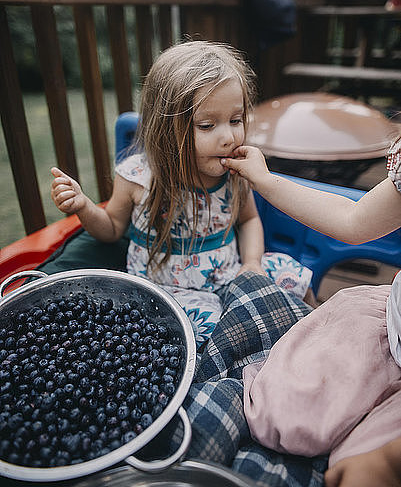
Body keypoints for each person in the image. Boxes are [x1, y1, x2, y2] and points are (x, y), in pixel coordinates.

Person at [50, 41, 313, 349]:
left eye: (236, 120)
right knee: (208, 330)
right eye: (207, 125)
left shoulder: (237, 172)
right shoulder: (136, 178)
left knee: (292, 274)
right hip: (170, 292)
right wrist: (83, 206)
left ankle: (317, 339)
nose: (228, 137)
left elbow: (249, 219)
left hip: (231, 274)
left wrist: (252, 262)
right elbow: (111, 230)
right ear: (166, 130)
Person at [221, 139, 401, 486]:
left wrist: (389, 461)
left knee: (354, 468)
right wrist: (265, 179)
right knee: (278, 417)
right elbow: (354, 219)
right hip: (385, 327)